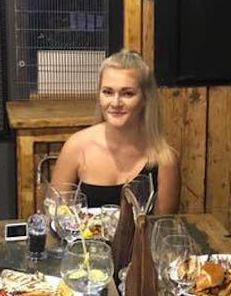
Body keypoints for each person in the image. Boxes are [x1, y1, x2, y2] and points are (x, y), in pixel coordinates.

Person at [52, 49, 180, 213]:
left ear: (145, 99)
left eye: (127, 93)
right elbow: (57, 216)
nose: (115, 102)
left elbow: (162, 228)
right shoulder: (76, 146)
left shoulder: (165, 159)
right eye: (107, 92)